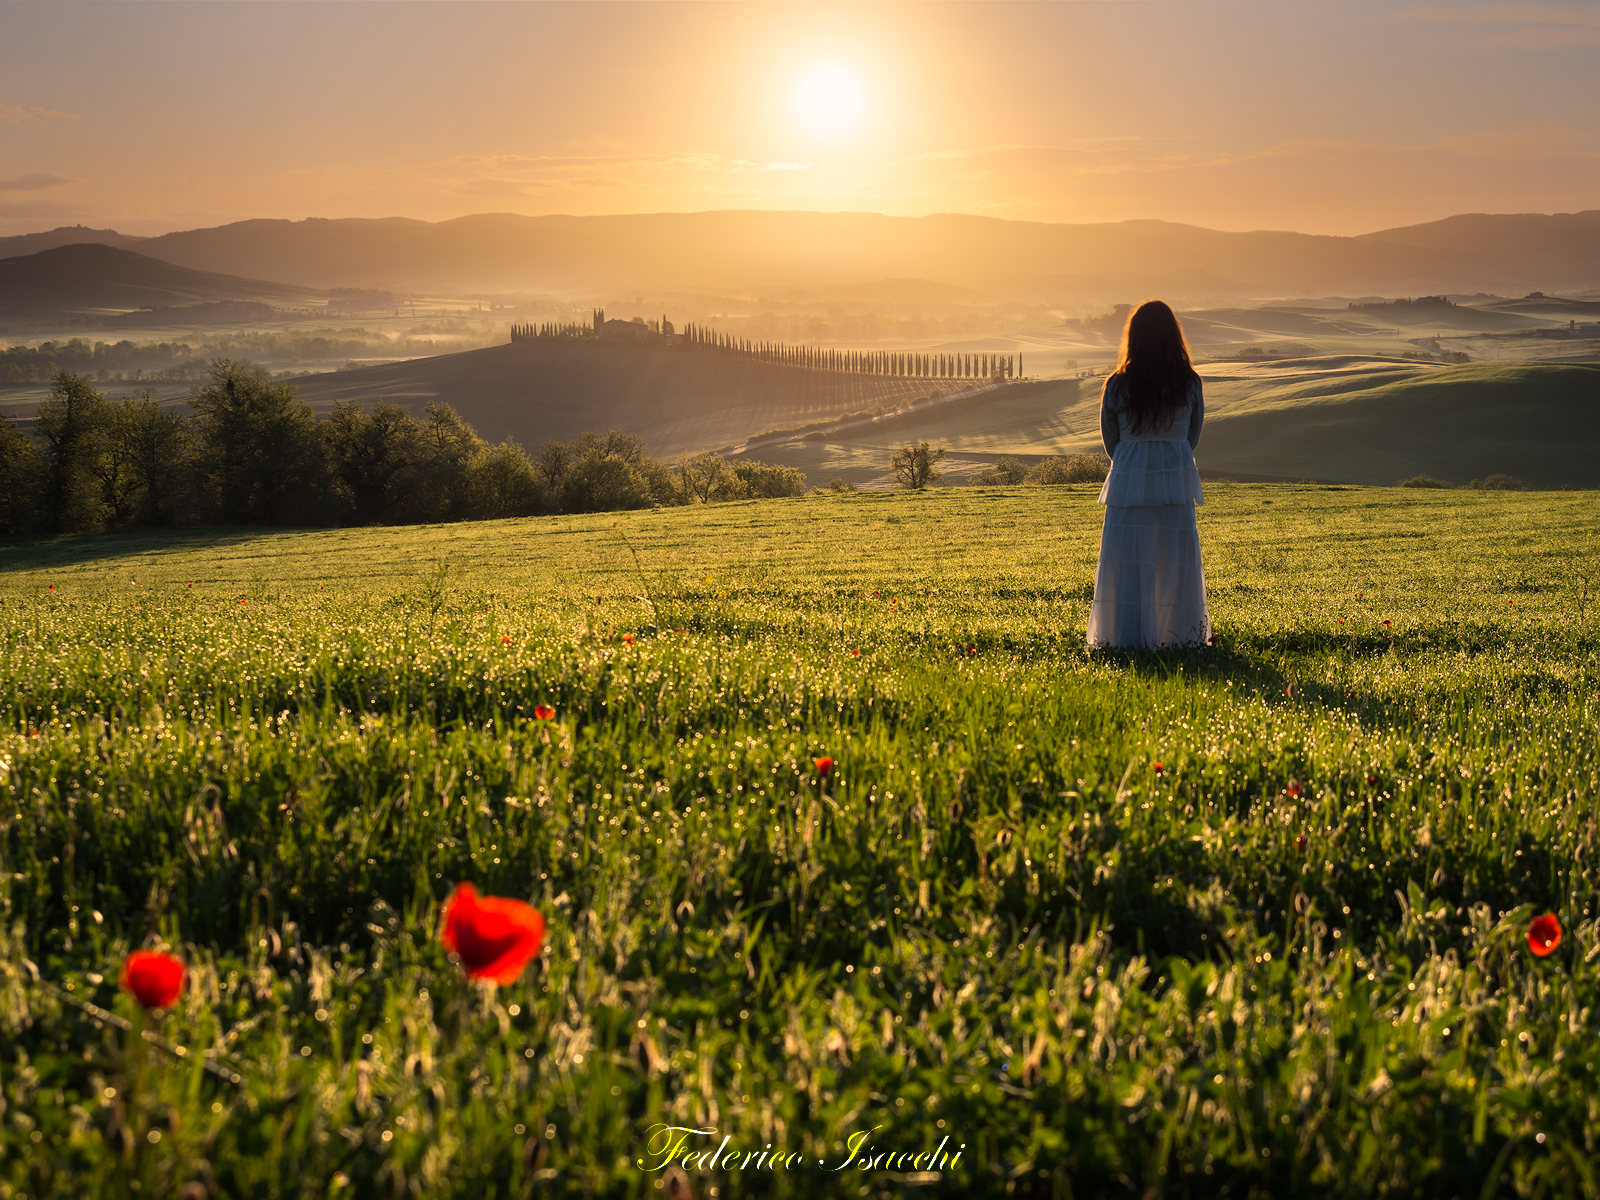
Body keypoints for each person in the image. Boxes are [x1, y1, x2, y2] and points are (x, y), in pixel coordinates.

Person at [1086, 300, 1211, 648]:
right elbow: (1192, 437)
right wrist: (1169, 456)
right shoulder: (1189, 383)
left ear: (1134, 337)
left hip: (1128, 480)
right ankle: (1180, 638)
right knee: (1176, 560)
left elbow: (1111, 441)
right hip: (1175, 477)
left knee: (1126, 564)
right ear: (1174, 336)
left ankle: (1126, 638)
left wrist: (1133, 461)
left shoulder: (1117, 385)